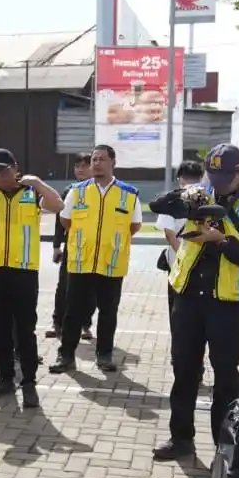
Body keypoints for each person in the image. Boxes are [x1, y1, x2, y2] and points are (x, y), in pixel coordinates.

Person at [151, 143, 239, 461]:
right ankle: (180, 438)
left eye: (224, 176)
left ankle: (225, 446)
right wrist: (186, 193)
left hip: (226, 302)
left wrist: (220, 240)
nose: (217, 182)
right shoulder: (200, 193)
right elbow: (156, 205)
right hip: (189, 296)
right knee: (184, 370)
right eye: (212, 174)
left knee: (225, 377)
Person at [0, 148, 63, 407]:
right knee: (2, 329)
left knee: (26, 329)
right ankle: (6, 378)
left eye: (2, 170)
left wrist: (38, 183)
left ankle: (28, 382)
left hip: (23, 272)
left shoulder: (31, 194)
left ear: (15, 167)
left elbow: (58, 205)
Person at [51, 145, 142, 374]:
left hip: (111, 263)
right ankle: (67, 356)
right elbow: (66, 220)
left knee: (108, 312)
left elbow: (134, 225)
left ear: (113, 162)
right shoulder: (77, 191)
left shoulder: (129, 193)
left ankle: (104, 355)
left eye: (102, 159)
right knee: (73, 312)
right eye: (94, 159)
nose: (96, 163)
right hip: (81, 261)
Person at [48, 153, 95, 340]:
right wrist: (56, 246)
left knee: (90, 288)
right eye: (77, 166)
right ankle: (57, 323)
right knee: (64, 286)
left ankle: (85, 324)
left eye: (84, 165)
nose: (80, 170)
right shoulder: (69, 191)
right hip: (72, 246)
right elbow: (60, 221)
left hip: (93, 247)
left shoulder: (99, 191)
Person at [155, 159, 206, 316]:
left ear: (180, 179)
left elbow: (170, 237)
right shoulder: (208, 198)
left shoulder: (170, 201)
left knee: (178, 313)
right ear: (201, 177)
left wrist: (185, 258)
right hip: (204, 266)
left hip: (178, 266)